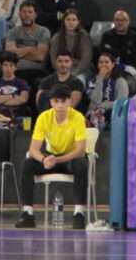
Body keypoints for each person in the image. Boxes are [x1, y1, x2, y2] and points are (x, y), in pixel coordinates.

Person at [15, 84, 89, 230]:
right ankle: (27, 213)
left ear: (69, 102)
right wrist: (44, 159)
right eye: (57, 101)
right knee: (28, 163)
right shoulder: (44, 117)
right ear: (51, 102)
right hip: (51, 158)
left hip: (70, 159)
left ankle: (79, 213)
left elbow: (81, 150)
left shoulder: (78, 117)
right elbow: (33, 148)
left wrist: (58, 160)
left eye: (64, 101)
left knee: (81, 163)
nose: (60, 105)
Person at [4, 1, 51, 86]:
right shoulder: (12, 32)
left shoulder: (44, 31)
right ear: (19, 14)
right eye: (24, 12)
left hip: (37, 72)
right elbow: (10, 55)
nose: (27, 15)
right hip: (16, 71)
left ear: (35, 15)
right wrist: (30, 49)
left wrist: (18, 52)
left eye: (30, 12)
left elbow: (40, 57)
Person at [85, 51, 130, 130]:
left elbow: (120, 103)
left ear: (112, 65)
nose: (103, 65)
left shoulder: (121, 81)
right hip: (95, 113)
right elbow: (96, 99)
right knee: (96, 120)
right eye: (101, 62)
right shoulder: (92, 81)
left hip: (114, 112)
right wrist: (100, 79)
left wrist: (101, 106)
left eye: (106, 62)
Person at [98, 10, 136, 77]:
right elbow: (104, 57)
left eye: (123, 20)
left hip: (130, 72)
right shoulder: (106, 36)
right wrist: (125, 53)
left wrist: (112, 51)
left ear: (129, 22)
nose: (120, 23)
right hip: (109, 71)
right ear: (113, 21)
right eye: (117, 20)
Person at [47, 9, 92, 76]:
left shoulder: (84, 37)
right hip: (61, 70)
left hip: (80, 70)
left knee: (77, 81)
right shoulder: (56, 37)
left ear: (78, 22)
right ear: (64, 21)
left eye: (74, 20)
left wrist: (75, 72)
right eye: (68, 20)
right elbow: (53, 58)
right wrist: (62, 71)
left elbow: (86, 59)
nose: (71, 22)